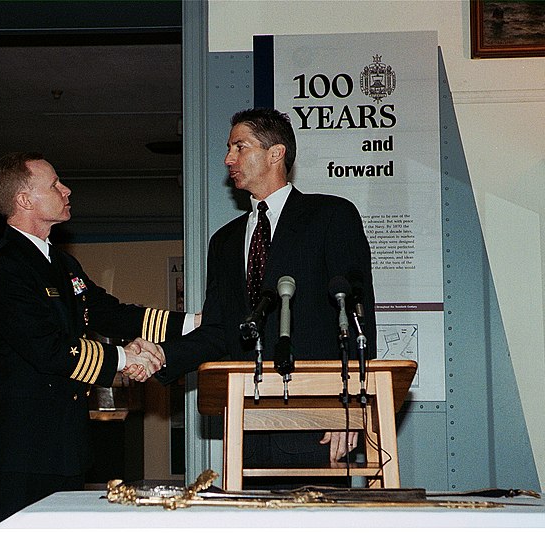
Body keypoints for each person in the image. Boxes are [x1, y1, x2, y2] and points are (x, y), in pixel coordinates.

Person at [0, 152, 196, 526]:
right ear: (24, 201)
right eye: (54, 184)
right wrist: (126, 359)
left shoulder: (61, 264)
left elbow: (108, 313)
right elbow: (48, 350)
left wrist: (193, 324)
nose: (66, 189)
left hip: (65, 443)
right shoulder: (3, 268)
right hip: (23, 449)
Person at [154, 108, 377, 472]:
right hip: (248, 426)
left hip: (316, 422)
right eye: (229, 149)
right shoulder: (223, 241)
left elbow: (356, 315)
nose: (228, 159)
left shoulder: (331, 215)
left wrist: (350, 404)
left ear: (276, 153)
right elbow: (218, 330)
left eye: (239, 147)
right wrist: (163, 356)